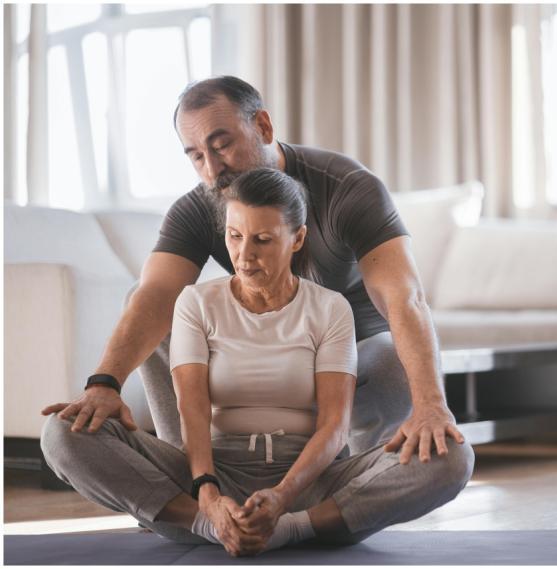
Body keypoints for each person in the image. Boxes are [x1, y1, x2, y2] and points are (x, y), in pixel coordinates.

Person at [41, 168, 474, 557]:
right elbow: (191, 411)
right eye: (234, 237)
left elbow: (334, 426)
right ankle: (204, 526)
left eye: (263, 240)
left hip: (313, 484)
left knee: (453, 457)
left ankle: (296, 531)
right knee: (61, 433)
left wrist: (284, 501)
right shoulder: (195, 302)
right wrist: (208, 500)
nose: (245, 255)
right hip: (213, 477)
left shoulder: (331, 309)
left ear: (297, 239)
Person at [41, 75, 461, 464]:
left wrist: (430, 404)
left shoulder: (347, 187)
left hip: (351, 356)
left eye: (221, 145)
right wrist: (104, 384)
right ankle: (186, 473)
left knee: (388, 357)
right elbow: (152, 296)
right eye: (196, 156)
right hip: (258, 352)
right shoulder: (201, 204)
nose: (212, 168)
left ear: (262, 126)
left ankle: (366, 472)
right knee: (150, 299)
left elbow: (404, 298)